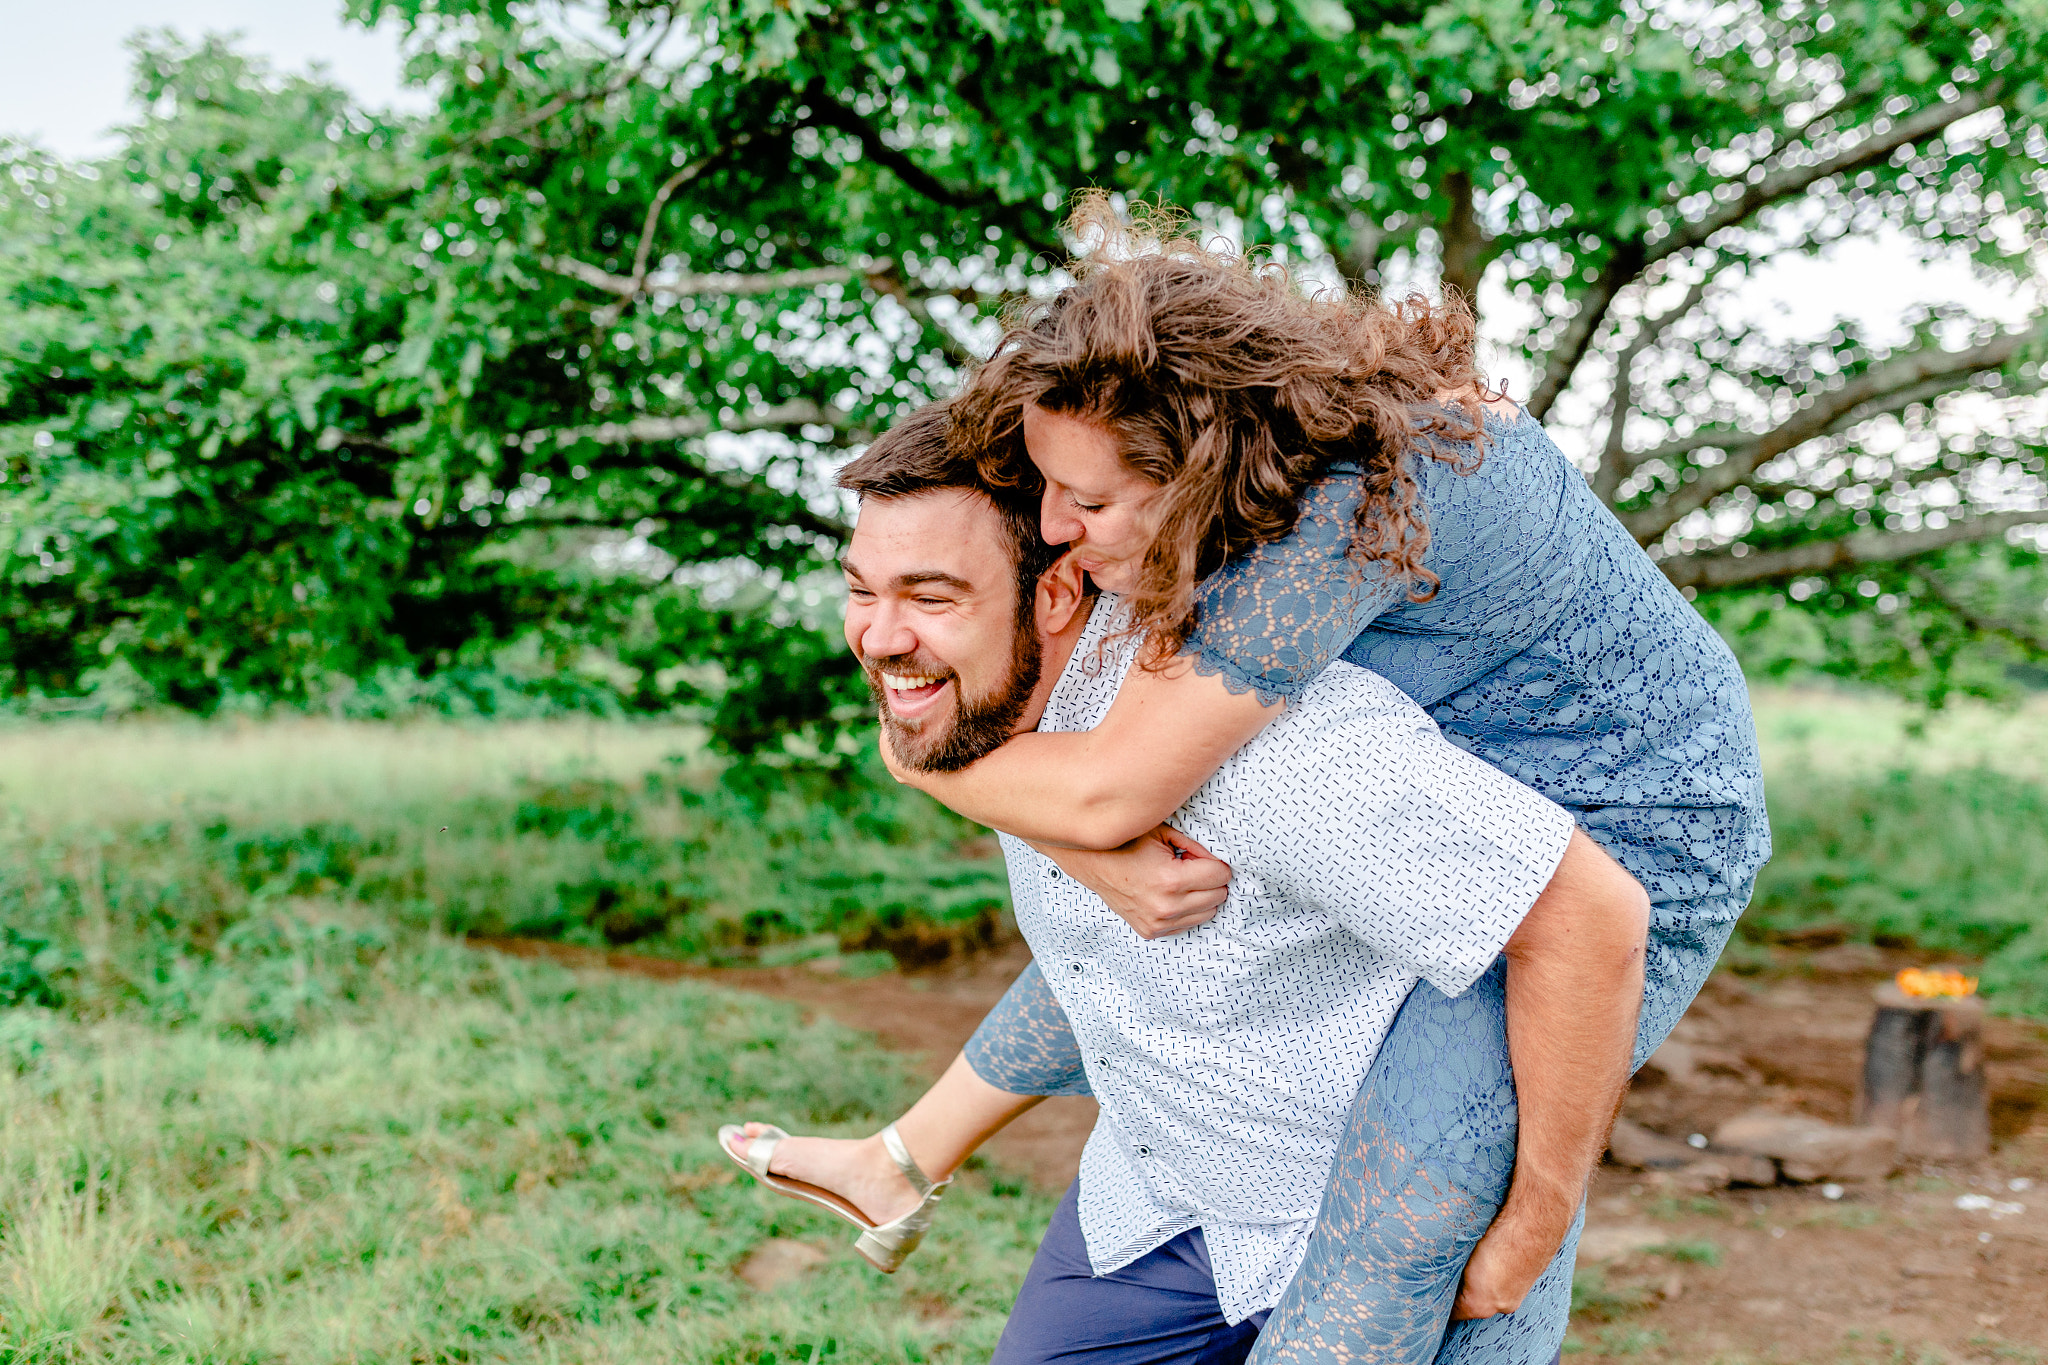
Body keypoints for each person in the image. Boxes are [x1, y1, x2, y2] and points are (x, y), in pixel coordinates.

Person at [864, 202, 1765, 1365]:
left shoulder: (1315, 541)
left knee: (1416, 1241)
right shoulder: (1293, 447)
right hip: (1495, 801)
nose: (1056, 527)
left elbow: (1100, 797)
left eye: (1085, 504)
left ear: (1194, 463)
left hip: (1642, 831)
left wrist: (919, 763)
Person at [722, 410, 1649, 1365]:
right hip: (1147, 1199)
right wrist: (1070, 841)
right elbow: (1074, 944)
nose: (878, 637)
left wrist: (1539, 1223)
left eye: (931, 597)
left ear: (1056, 593)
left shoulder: (1273, 751)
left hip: (1341, 1224)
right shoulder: (986, 712)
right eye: (861, 590)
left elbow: (1591, 919)